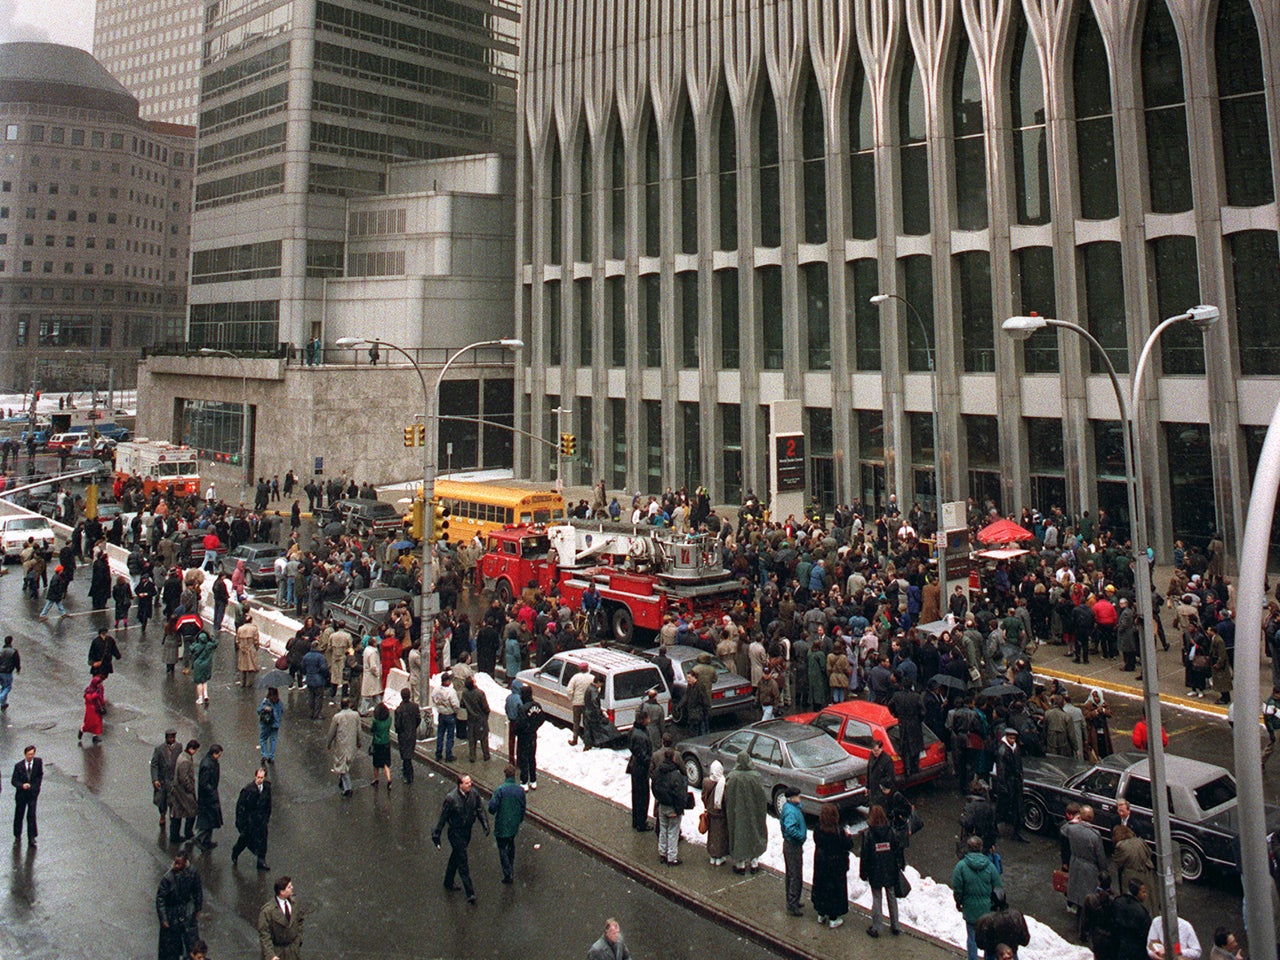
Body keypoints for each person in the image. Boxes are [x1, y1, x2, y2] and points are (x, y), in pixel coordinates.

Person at [432, 773, 490, 904]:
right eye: (467, 783)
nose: (470, 785)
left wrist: (485, 824)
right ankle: (470, 892)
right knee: (462, 859)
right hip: (455, 833)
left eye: (470, 782)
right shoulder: (451, 799)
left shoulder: (474, 794)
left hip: (466, 832)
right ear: (460, 785)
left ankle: (448, 881)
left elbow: (479, 809)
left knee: (456, 856)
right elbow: (443, 818)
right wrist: (437, 835)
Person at [953, 835, 1005, 960]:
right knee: (988, 939)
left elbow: (957, 888)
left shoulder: (961, 867)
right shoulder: (990, 866)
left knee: (972, 938)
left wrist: (959, 902)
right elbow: (998, 887)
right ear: (981, 848)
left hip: (970, 908)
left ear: (968, 848)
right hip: (987, 910)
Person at [858, 803, 901, 936]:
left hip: (875, 870)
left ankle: (876, 927)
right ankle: (895, 925)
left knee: (877, 898)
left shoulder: (869, 834)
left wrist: (863, 872)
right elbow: (896, 850)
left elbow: (865, 856)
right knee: (891, 896)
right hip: (889, 869)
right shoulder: (891, 832)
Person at [723, 750, 767, 874]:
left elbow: (728, 795)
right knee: (755, 834)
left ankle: (740, 865)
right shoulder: (755, 776)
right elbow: (761, 796)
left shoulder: (732, 776)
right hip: (753, 811)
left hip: (737, 811)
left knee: (738, 835)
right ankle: (754, 863)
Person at [156, 852, 203, 960]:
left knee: (191, 945)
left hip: (187, 914)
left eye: (179, 863)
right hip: (172, 916)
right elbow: (160, 899)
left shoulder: (192, 873)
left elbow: (197, 891)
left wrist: (198, 908)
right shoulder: (168, 878)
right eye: (175, 863)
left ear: (185, 863)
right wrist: (164, 919)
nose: (175, 866)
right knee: (171, 950)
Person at [487, 764, 526, 883]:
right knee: (511, 844)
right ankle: (511, 866)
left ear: (505, 775)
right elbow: (523, 807)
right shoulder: (520, 790)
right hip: (514, 824)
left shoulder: (500, 790)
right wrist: (519, 819)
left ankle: (508, 872)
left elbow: (492, 807)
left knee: (502, 847)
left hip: (502, 824)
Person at [650, 747, 689, 866]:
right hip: (673, 807)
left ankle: (662, 853)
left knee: (663, 829)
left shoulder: (658, 771)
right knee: (673, 832)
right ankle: (672, 858)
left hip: (662, 805)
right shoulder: (676, 775)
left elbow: (654, 786)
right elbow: (679, 794)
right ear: (673, 758)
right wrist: (679, 808)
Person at [231, 767, 272, 871]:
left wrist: (266, 817)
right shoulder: (248, 790)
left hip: (261, 820)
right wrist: (241, 822)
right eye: (258, 777)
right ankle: (236, 851)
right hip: (250, 821)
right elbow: (240, 807)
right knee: (245, 839)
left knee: (262, 840)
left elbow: (268, 804)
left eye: (262, 778)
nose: (260, 780)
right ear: (255, 776)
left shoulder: (267, 788)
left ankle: (261, 861)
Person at [992, 727, 1029, 842]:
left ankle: (1017, 832)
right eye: (1010, 738)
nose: (1012, 740)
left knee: (1017, 807)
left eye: (1014, 738)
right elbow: (1001, 770)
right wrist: (1002, 786)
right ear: (1006, 737)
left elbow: (1019, 765)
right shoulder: (1003, 750)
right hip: (1007, 782)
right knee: (1001, 807)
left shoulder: (1015, 748)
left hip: (1015, 782)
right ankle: (994, 828)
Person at [975, 888, 1030, 960]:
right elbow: (1025, 940)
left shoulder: (985, 920)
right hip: (1011, 953)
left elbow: (980, 943)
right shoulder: (1016, 916)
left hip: (992, 954)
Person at [257, 876, 303, 960]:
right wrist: (271, 955)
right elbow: (264, 934)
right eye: (289, 887)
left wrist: (298, 940)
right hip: (277, 953)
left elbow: (299, 921)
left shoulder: (294, 903)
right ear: (282, 892)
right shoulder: (267, 911)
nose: (292, 888)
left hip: (292, 952)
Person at [780, 785, 807, 917]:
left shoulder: (790, 808)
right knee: (795, 875)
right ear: (792, 798)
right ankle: (792, 903)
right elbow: (790, 828)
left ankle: (792, 900)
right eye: (798, 796)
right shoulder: (792, 811)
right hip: (793, 846)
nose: (800, 798)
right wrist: (800, 836)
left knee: (791, 874)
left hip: (790, 845)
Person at [513, 683, 545, 790]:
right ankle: (533, 780)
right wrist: (534, 727)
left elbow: (519, 724)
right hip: (533, 736)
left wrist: (518, 732)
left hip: (524, 737)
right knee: (532, 757)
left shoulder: (523, 709)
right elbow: (541, 719)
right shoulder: (537, 706)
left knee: (523, 759)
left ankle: (524, 781)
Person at [325, 698, 360, 797]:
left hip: (341, 743)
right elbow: (358, 730)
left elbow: (331, 732)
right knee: (345, 762)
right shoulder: (355, 715)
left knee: (342, 764)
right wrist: (359, 741)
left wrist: (329, 744)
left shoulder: (337, 717)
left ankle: (348, 788)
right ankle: (342, 781)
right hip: (351, 743)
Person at [626, 710, 653, 832]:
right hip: (641, 769)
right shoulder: (641, 736)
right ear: (643, 720)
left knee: (636, 796)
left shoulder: (634, 731)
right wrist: (651, 763)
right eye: (647, 718)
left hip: (635, 766)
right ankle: (642, 823)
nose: (649, 720)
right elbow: (643, 756)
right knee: (643, 796)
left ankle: (636, 820)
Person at [169, 740, 200, 844]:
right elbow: (184, 778)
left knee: (177, 814)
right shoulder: (185, 761)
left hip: (178, 791)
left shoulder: (182, 756)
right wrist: (190, 788)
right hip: (183, 792)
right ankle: (187, 832)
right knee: (192, 811)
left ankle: (175, 836)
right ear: (192, 749)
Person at [1112, 880, 1152, 960]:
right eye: (1143, 892)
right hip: (1136, 950)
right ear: (1136, 892)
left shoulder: (1118, 901)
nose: (1145, 895)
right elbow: (1146, 932)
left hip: (1120, 947)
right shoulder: (1141, 912)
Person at [1080, 872, 1116, 960]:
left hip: (1096, 935)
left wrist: (1083, 935)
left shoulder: (1090, 899)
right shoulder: (1114, 900)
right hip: (1111, 936)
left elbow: (1085, 919)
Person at [194, 744, 223, 852]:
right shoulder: (207, 765)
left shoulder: (210, 762)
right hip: (207, 799)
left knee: (210, 821)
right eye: (219, 755)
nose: (219, 757)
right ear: (214, 754)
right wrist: (212, 792)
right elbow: (204, 783)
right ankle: (199, 839)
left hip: (209, 797)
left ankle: (206, 841)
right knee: (207, 821)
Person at [11, 745, 42, 845]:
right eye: (29, 754)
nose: (30, 756)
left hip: (32, 794)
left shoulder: (38, 762)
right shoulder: (18, 766)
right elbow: (14, 781)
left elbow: (39, 776)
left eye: (32, 754)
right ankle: (17, 836)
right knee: (19, 815)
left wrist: (34, 787)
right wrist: (22, 785)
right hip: (21, 795)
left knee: (31, 815)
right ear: (25, 754)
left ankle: (32, 837)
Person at [152, 729, 182, 831]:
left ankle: (172, 816)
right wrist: (155, 779)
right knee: (162, 800)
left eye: (173, 737)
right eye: (170, 738)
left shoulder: (179, 747)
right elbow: (154, 765)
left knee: (173, 801)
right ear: (166, 738)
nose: (172, 739)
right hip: (162, 780)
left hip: (173, 780)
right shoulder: (159, 749)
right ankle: (162, 814)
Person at [702, 759, 729, 864]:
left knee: (712, 833)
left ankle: (712, 855)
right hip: (720, 813)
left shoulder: (706, 782)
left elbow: (704, 796)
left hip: (710, 811)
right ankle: (719, 856)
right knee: (720, 835)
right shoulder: (724, 783)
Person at [392, 688, 421, 783]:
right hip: (412, 734)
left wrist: (399, 731)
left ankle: (408, 774)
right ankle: (407, 771)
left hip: (403, 735)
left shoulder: (399, 710)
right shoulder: (415, 707)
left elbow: (397, 725)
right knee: (409, 753)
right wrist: (413, 728)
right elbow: (418, 720)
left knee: (405, 755)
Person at [461, 676, 491, 762]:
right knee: (484, 739)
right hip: (481, 719)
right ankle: (486, 755)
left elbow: (462, 705)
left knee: (472, 739)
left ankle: (472, 756)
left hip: (471, 719)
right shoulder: (480, 693)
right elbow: (485, 707)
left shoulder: (465, 694)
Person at [432, 671, 460, 762]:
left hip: (441, 714)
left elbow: (433, 698)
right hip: (450, 715)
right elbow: (455, 704)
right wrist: (455, 711)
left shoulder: (436, 690)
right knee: (450, 736)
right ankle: (448, 754)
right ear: (447, 681)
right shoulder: (451, 692)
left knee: (440, 734)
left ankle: (438, 753)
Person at [566, 662, 594, 746]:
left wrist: (571, 698)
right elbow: (596, 689)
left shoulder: (575, 677)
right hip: (587, 703)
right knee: (587, 723)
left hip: (577, 703)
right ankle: (587, 743)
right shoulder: (592, 678)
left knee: (576, 722)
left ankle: (575, 739)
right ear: (587, 668)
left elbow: (569, 690)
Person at [189, 631, 217, 708]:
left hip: (198, 665)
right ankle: (206, 695)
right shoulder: (209, 645)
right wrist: (212, 639)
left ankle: (200, 698)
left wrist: (195, 642)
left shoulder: (196, 646)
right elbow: (216, 643)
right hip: (207, 664)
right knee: (204, 680)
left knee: (199, 682)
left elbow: (191, 648)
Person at [369, 701, 392, 789]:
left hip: (377, 743)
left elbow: (372, 730)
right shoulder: (389, 719)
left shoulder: (376, 721)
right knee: (386, 763)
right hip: (386, 742)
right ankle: (389, 779)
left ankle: (376, 779)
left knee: (376, 763)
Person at [79, 674, 106, 745]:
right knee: (90, 723)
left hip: (97, 708)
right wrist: (95, 695)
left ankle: (95, 737)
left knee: (97, 723)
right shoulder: (89, 690)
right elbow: (89, 698)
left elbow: (101, 697)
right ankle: (82, 730)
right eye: (99, 683)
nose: (100, 685)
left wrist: (102, 704)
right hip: (91, 709)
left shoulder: (99, 688)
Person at [258, 688, 283, 764]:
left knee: (263, 739)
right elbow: (281, 711)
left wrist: (264, 708)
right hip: (275, 724)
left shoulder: (266, 701)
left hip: (266, 723)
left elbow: (258, 710)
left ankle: (264, 754)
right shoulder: (279, 702)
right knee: (273, 740)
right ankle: (271, 757)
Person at [236, 614, 261, 688]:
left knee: (243, 667)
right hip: (251, 648)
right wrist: (256, 647)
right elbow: (256, 640)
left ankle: (242, 682)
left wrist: (240, 647)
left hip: (242, 649)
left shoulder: (240, 629)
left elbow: (237, 640)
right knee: (251, 666)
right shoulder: (254, 629)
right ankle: (249, 683)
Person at [0, 636, 21, 712]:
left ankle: (3, 704)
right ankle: (1, 698)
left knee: (3, 687)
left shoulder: (1, 651)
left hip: (0, 671)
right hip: (7, 672)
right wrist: (18, 669)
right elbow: (16, 661)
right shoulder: (13, 651)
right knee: (7, 687)